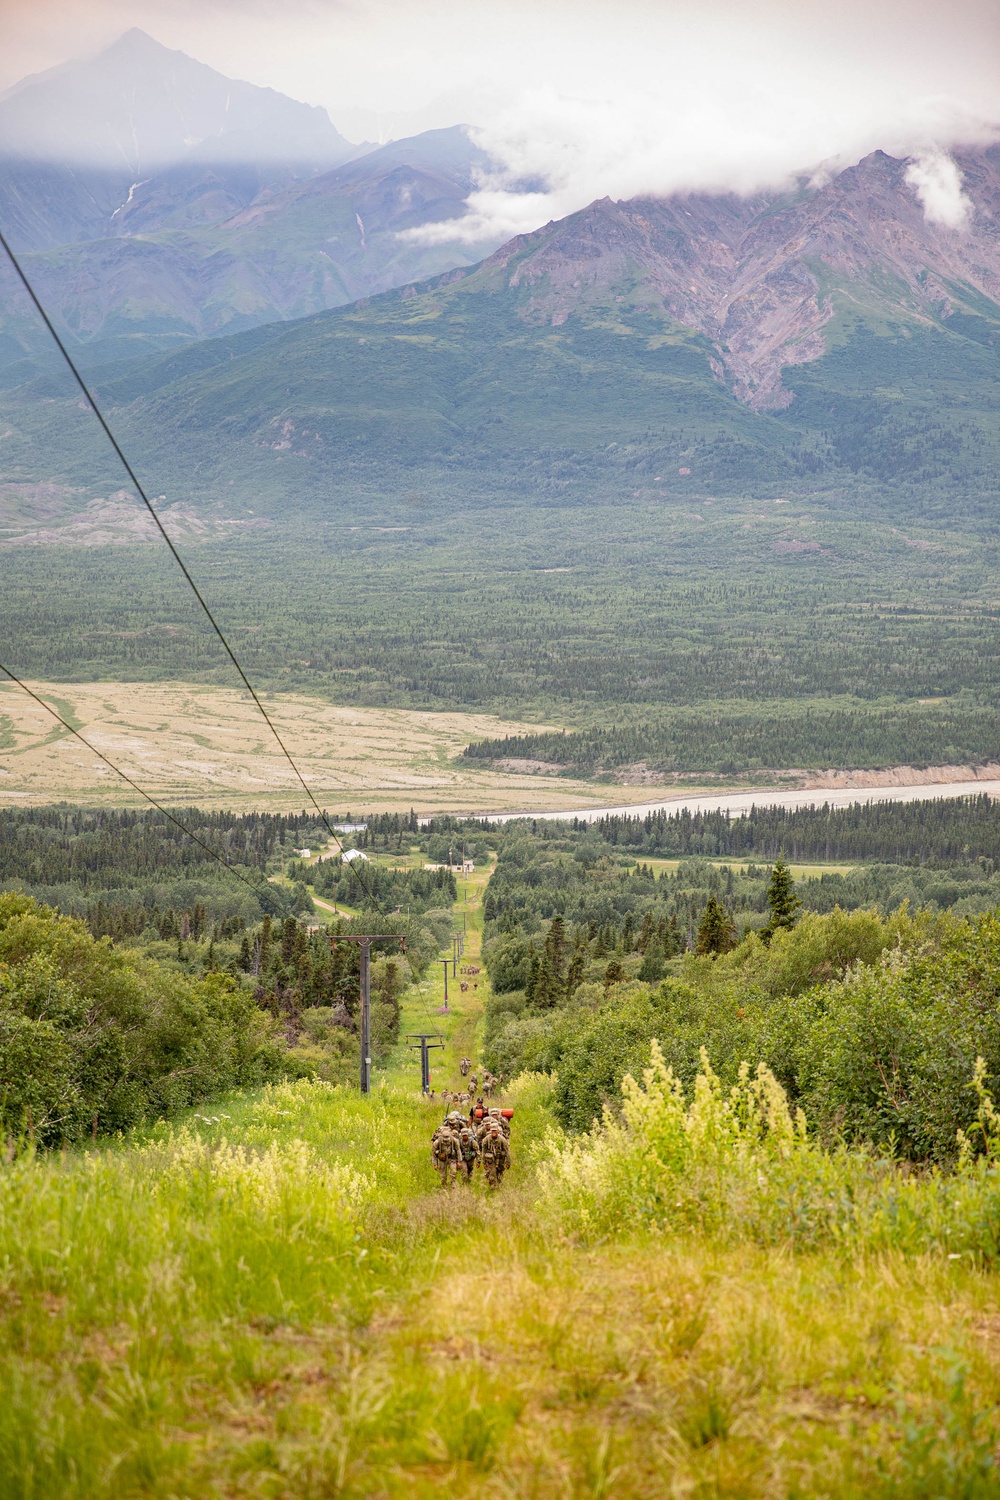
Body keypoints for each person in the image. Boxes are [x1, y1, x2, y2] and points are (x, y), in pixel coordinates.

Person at [431, 1123, 460, 1187]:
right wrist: (435, 1164)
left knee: (453, 1172)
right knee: (443, 1176)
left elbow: (458, 1150)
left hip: (452, 1158)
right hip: (442, 1159)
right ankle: (444, 1187)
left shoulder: (454, 1140)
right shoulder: (437, 1142)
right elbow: (433, 1153)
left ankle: (453, 1186)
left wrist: (459, 1161)